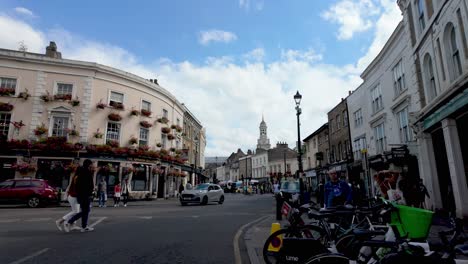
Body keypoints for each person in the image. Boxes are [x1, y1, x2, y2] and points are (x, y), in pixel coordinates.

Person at [64, 159, 95, 232]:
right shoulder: (86, 172)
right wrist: (89, 193)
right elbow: (89, 185)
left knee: (85, 210)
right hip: (84, 195)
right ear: (88, 164)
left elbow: (78, 185)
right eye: (91, 164)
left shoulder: (80, 173)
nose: (92, 165)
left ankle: (83, 226)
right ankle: (70, 221)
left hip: (80, 195)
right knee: (86, 210)